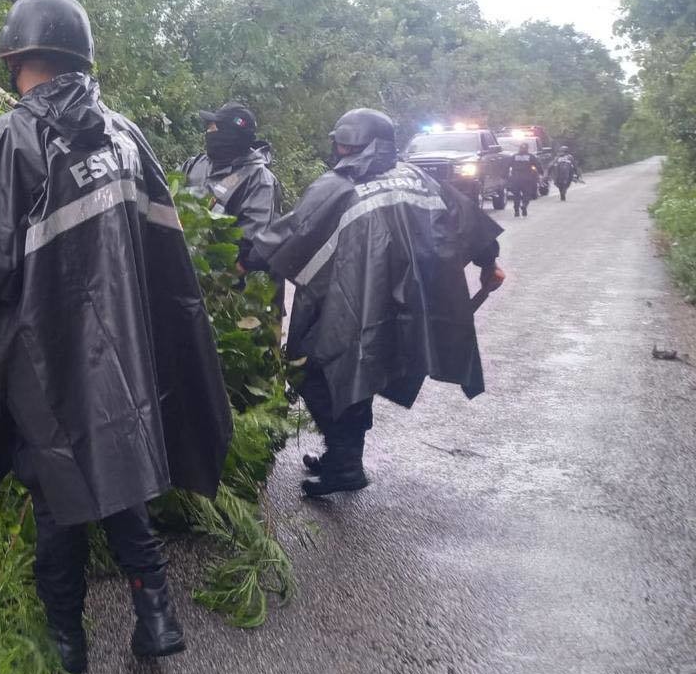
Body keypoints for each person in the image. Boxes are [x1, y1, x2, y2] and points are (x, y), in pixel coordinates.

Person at [0, 0, 232, 674]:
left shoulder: (15, 136)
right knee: (115, 472)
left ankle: (67, 640)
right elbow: (161, 252)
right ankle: (156, 616)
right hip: (121, 353)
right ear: (78, 56)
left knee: (58, 492)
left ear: (20, 57)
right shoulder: (125, 133)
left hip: (45, 356)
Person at [242, 108, 504, 497]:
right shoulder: (420, 179)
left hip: (355, 305)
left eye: (346, 143)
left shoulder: (337, 186)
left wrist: (242, 263)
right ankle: (343, 457)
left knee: (317, 369)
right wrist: (489, 263)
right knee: (355, 374)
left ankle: (346, 463)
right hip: (405, 307)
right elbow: (464, 221)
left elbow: (292, 233)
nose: (341, 149)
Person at [182, 102, 284, 308]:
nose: (208, 132)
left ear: (231, 134)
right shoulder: (195, 165)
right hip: (191, 282)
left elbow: (254, 245)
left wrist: (217, 283)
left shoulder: (259, 179)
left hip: (236, 295)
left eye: (213, 127)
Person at [506, 141, 543, 217]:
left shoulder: (514, 156)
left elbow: (506, 166)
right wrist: (541, 173)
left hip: (515, 179)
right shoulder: (531, 156)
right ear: (527, 149)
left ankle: (516, 211)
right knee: (527, 194)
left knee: (516, 195)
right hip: (527, 179)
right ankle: (524, 205)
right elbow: (538, 165)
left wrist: (504, 176)